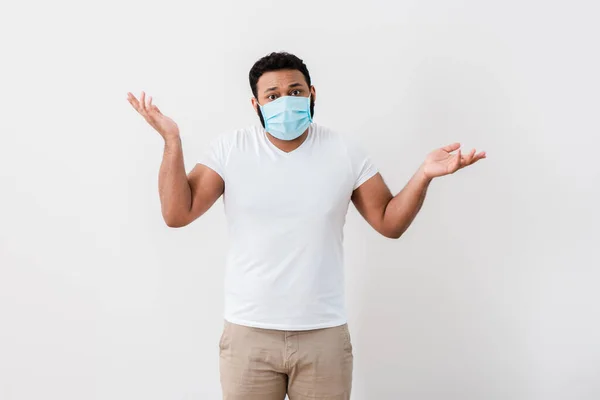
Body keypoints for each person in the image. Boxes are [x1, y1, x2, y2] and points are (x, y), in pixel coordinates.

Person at [127, 51, 486, 400]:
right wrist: (171, 141)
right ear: (256, 105)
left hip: (323, 336)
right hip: (249, 333)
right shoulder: (231, 150)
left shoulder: (344, 151)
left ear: (312, 95)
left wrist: (424, 174)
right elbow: (177, 214)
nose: (286, 101)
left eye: (296, 91)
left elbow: (389, 222)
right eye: (273, 95)